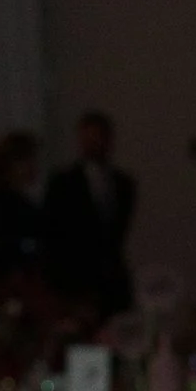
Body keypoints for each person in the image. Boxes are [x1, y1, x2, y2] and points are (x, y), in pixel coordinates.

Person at [40, 111, 136, 319]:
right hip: (76, 280)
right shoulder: (63, 183)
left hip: (112, 279)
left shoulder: (123, 184)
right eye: (87, 139)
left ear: (108, 140)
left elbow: (116, 232)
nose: (92, 144)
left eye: (97, 138)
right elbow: (52, 233)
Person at [0, 131, 45, 286]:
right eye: (26, 160)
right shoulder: (2, 202)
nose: (33, 166)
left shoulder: (13, 200)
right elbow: (7, 246)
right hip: (10, 281)